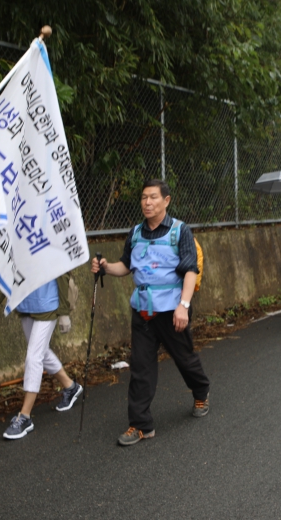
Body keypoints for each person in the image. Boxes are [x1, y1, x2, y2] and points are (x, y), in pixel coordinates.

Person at [90, 179, 209, 447]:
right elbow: (126, 266)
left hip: (172, 311)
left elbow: (191, 270)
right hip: (142, 310)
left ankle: (201, 391)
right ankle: (141, 424)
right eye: (144, 197)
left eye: (153, 197)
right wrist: (106, 267)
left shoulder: (180, 231)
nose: (147, 202)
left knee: (185, 359)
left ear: (166, 201)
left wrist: (184, 306)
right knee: (141, 368)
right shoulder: (134, 233)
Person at [2, 278, 82, 440]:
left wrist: (64, 312)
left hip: (48, 304)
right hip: (26, 304)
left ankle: (24, 416)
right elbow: (11, 270)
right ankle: (70, 386)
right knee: (41, 352)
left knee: (34, 357)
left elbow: (63, 272)